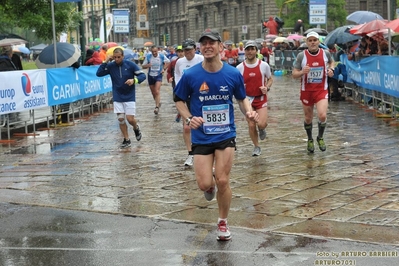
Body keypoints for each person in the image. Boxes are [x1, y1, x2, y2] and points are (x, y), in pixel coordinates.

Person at [174, 29, 259, 241]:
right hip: (201, 136)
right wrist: (188, 118)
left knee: (222, 180)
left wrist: (248, 111)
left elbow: (241, 99)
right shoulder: (191, 75)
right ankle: (209, 184)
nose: (207, 46)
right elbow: (178, 100)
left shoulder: (232, 74)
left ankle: (223, 222)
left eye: (212, 42)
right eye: (203, 43)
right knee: (205, 185)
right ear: (200, 48)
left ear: (221, 47)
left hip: (225, 134)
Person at [292, 31, 335, 153]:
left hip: (321, 89)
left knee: (322, 115)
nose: (312, 43)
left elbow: (332, 62)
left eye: (314, 40)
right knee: (308, 118)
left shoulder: (325, 53)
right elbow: (294, 74)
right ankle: (310, 139)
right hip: (307, 91)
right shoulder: (302, 56)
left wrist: (331, 69)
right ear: (306, 42)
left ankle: (320, 137)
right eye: (310, 40)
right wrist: (301, 72)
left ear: (318, 42)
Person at [96, 47, 146, 148]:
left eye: (119, 57)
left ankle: (136, 128)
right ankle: (126, 139)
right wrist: (105, 61)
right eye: (115, 57)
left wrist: (134, 80)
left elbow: (142, 75)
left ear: (123, 56)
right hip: (118, 95)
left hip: (129, 95)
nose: (117, 59)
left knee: (130, 119)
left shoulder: (130, 65)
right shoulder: (111, 66)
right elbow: (99, 73)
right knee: (121, 119)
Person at [236, 40, 273, 156]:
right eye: (248, 49)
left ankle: (262, 129)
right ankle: (256, 146)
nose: (250, 51)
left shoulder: (264, 65)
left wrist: (266, 87)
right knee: (251, 124)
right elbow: (236, 85)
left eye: (252, 49)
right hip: (247, 100)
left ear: (256, 51)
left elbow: (270, 79)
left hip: (260, 98)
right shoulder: (239, 68)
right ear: (245, 51)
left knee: (261, 124)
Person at [174, 38, 204, 166]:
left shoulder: (201, 59)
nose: (187, 53)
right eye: (185, 50)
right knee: (187, 127)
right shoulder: (180, 62)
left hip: (202, 96)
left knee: (203, 124)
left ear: (195, 49)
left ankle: (204, 151)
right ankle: (190, 153)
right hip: (186, 97)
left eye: (189, 50)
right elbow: (177, 77)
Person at [141, 45, 170, 115]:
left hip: (158, 75)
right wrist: (147, 65)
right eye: (153, 52)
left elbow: (168, 62)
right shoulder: (148, 56)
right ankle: (158, 102)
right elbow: (143, 66)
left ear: (158, 50)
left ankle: (156, 107)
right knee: (153, 93)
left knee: (157, 91)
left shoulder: (161, 56)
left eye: (155, 51)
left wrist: (164, 69)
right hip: (150, 75)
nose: (154, 53)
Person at [167, 45, 185, 123]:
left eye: (182, 51)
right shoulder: (174, 62)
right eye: (179, 52)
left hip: (187, 85)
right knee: (178, 101)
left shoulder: (189, 62)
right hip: (176, 85)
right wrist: (169, 78)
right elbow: (168, 72)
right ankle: (180, 112)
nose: (180, 53)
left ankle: (183, 114)